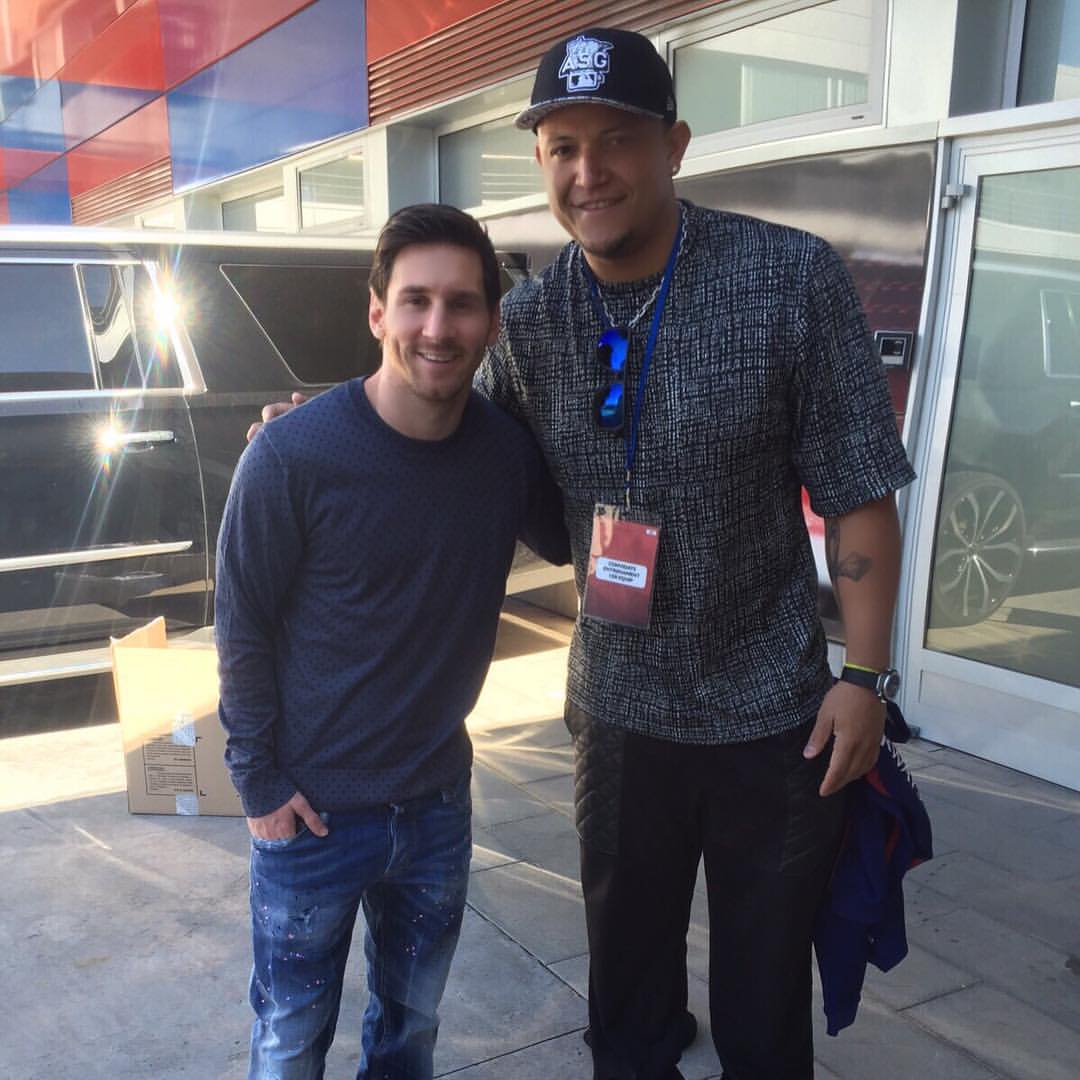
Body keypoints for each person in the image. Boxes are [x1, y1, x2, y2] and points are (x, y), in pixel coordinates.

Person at [254, 28, 915, 1080]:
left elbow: (859, 494)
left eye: (615, 140)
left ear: (676, 145)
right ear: (541, 162)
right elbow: (440, 430)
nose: (587, 170)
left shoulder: (789, 279)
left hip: (777, 714)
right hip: (617, 719)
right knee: (627, 1002)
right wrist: (316, 427)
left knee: (760, 1002)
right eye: (562, 145)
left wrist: (867, 679)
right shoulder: (533, 319)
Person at [217, 203, 568, 1080]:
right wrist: (258, 783)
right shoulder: (292, 455)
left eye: (461, 305)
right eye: (415, 302)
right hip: (311, 814)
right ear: (377, 313)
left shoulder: (503, 456)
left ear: (491, 321)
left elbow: (572, 535)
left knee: (411, 1031)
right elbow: (243, 623)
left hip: (437, 806)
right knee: (290, 1039)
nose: (437, 328)